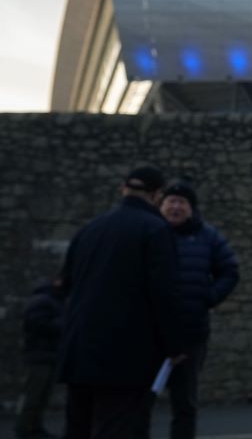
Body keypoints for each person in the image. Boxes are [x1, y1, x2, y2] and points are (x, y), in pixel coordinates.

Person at [59, 165, 184, 439]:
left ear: (123, 189)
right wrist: (175, 344)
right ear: (157, 195)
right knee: (118, 427)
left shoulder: (89, 229)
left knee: (78, 427)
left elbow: (65, 285)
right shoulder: (155, 230)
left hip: (79, 348)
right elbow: (164, 294)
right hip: (124, 354)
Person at [159, 181, 240, 439]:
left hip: (190, 333)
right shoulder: (150, 232)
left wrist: (208, 297)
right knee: (138, 400)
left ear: (191, 208)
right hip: (149, 333)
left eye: (182, 202)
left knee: (185, 403)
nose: (175, 207)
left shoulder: (208, 236)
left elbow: (229, 271)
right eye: (171, 201)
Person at [15, 278, 64, 439]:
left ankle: (33, 427)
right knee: (34, 395)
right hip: (39, 356)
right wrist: (63, 323)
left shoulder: (50, 301)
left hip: (46, 355)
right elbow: (37, 324)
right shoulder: (43, 301)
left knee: (41, 396)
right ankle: (25, 429)